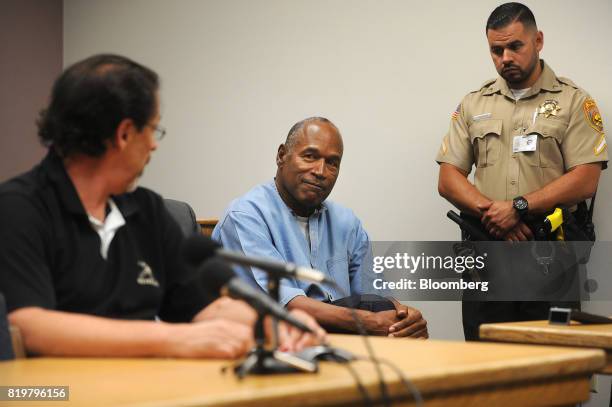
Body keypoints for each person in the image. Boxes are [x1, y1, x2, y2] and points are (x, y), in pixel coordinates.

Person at [0, 54, 324, 358]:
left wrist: (271, 323)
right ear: (125, 133)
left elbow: (205, 306)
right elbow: (29, 325)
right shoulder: (20, 207)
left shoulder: (147, 211)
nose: (154, 144)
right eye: (153, 129)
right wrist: (175, 340)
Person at [436, 3, 608, 340]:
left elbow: (586, 178)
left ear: (538, 40)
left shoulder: (573, 101)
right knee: (484, 364)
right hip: (487, 252)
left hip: (550, 254)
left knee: (553, 364)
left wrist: (518, 207)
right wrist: (495, 216)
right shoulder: (474, 103)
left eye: (515, 46)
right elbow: (448, 178)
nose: (505, 58)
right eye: (496, 50)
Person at [213, 117, 428, 338]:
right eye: (310, 156)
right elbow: (284, 304)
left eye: (332, 163)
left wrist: (405, 318)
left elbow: (374, 295)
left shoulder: (346, 222)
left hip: (344, 342)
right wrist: (367, 321)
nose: (321, 171)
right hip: (271, 342)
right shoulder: (246, 216)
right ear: (281, 156)